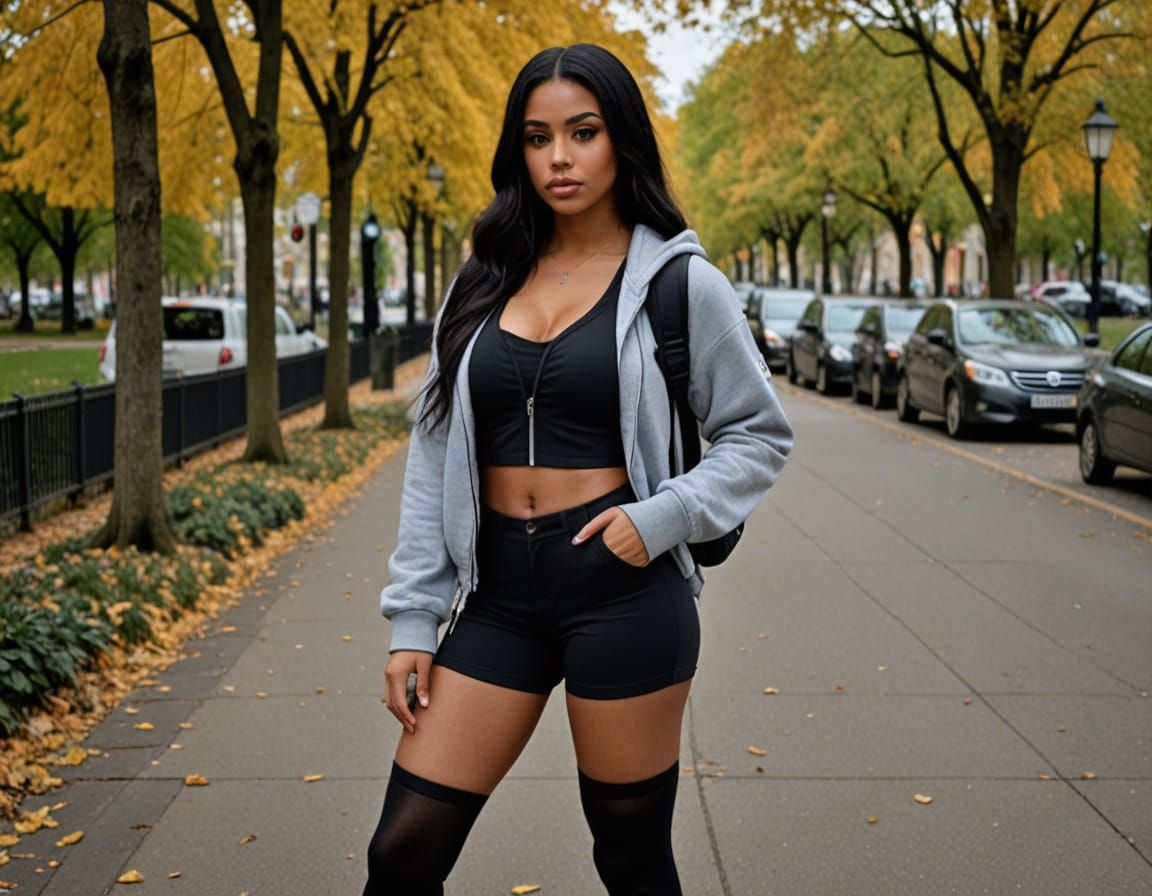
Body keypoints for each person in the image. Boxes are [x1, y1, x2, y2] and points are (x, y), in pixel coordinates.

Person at [363, 43, 793, 895]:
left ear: (619, 140)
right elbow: (436, 449)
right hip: (499, 598)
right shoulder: (483, 280)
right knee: (402, 852)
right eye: (537, 137)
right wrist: (413, 619)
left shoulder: (680, 283)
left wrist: (662, 516)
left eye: (582, 132)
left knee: (629, 859)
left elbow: (758, 433)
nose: (559, 157)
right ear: (517, 151)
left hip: (623, 590)